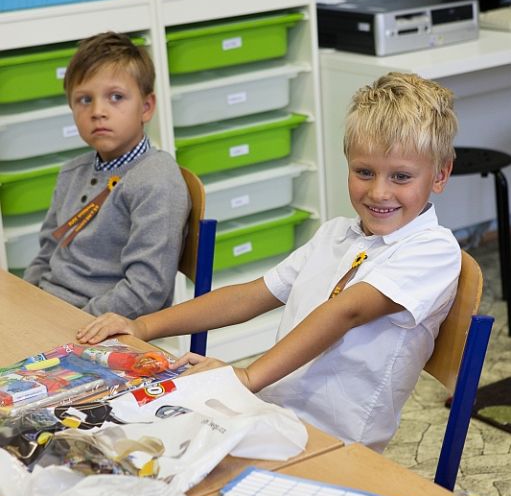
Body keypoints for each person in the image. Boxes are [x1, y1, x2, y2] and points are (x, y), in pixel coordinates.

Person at [76, 71, 461, 451]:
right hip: (268, 413)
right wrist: (141, 325)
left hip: (333, 445)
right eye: (364, 172)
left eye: (401, 177)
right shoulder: (336, 234)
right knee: (112, 430)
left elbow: (347, 311)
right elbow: (250, 296)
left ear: (440, 175)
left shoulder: (434, 250)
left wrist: (246, 376)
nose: (378, 192)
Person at [24, 31, 190, 317]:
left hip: (100, 325)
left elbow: (147, 289)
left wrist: (77, 322)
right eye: (84, 99)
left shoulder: (156, 180)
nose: (98, 111)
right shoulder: (71, 173)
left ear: (146, 107)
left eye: (116, 97)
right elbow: (47, 254)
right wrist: (27, 299)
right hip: (49, 310)